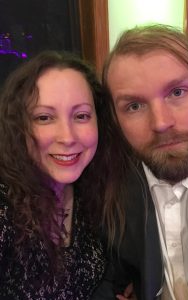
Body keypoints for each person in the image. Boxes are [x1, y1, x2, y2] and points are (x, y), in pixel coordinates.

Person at [93, 24, 188, 299]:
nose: (161, 123)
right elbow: (113, 273)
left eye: (177, 92)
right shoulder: (109, 184)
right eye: (134, 106)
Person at [0, 50, 110, 299]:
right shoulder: (5, 209)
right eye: (44, 118)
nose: (68, 137)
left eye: (81, 116)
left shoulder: (95, 188)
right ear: (18, 126)